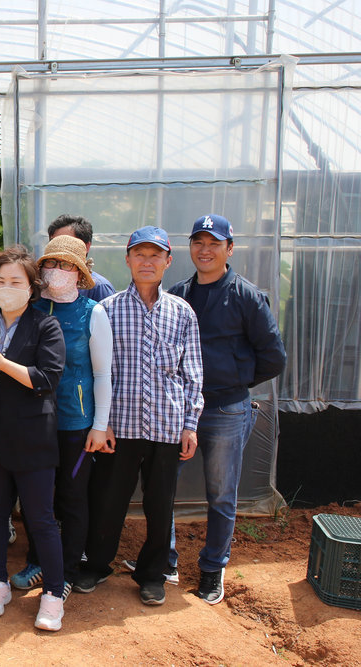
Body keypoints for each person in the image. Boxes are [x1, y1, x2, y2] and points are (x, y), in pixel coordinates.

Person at [158, 214, 286, 604]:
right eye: (199, 242)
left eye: (214, 243)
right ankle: (166, 561)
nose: (205, 249)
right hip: (181, 413)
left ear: (229, 248)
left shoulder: (247, 296)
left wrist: (235, 379)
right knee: (163, 485)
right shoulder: (179, 294)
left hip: (227, 409)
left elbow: (273, 358)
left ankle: (213, 569)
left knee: (222, 494)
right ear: (190, 248)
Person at [74, 226, 203, 607]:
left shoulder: (182, 313)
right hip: (121, 427)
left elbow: (192, 372)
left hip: (166, 427)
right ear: (128, 259)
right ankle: (97, 565)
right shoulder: (108, 309)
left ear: (168, 261)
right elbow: (97, 370)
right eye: (139, 254)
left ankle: (152, 574)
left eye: (155, 255)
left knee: (160, 506)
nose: (147, 262)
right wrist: (103, 421)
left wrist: (190, 424)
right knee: (108, 501)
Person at [0, 245, 67, 631]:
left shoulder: (46, 326)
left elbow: (47, 380)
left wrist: (2, 363)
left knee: (41, 519)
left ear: (32, 288)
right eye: (1, 281)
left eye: (17, 281)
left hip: (32, 438)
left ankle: (53, 595)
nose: (7, 287)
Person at [9, 235, 112, 598]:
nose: (56, 271)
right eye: (50, 264)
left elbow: (102, 374)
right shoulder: (31, 309)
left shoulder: (92, 313)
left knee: (71, 497)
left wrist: (100, 425)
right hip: (36, 420)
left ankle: (66, 571)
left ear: (80, 273)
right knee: (39, 498)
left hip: (75, 422)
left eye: (65, 265)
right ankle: (39, 562)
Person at [48, 214, 116, 301]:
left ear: (86, 247)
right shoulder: (42, 283)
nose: (59, 247)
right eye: (53, 242)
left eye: (67, 242)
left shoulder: (99, 288)